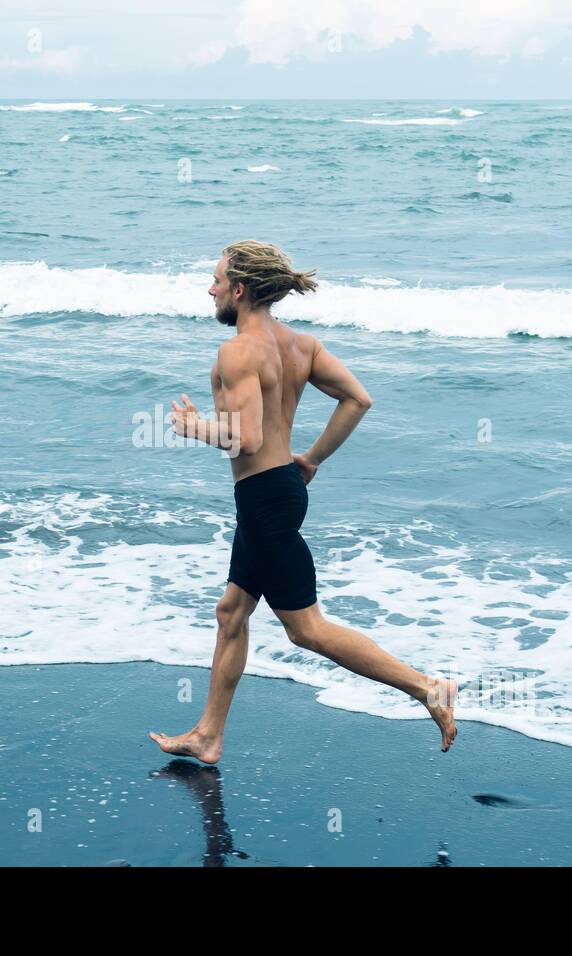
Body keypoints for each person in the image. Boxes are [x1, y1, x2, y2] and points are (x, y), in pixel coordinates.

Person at [148, 240, 457, 763]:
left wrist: (192, 426)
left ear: (240, 290)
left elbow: (243, 439)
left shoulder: (238, 352)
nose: (211, 288)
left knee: (306, 629)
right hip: (277, 491)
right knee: (231, 612)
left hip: (265, 498)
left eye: (217, 280)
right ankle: (207, 735)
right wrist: (311, 459)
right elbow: (358, 399)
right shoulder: (300, 346)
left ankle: (427, 688)